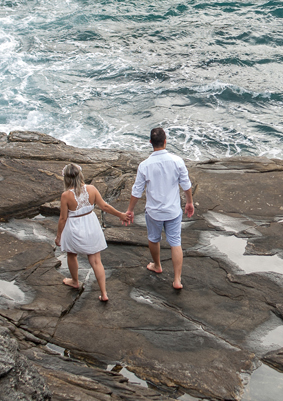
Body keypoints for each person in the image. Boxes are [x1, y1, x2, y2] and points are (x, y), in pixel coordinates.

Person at [122, 127, 195, 290]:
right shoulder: (177, 161)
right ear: (165, 141)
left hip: (154, 212)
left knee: (154, 238)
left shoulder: (145, 165)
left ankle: (157, 265)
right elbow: (186, 184)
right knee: (175, 242)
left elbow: (137, 191)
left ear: (150, 143)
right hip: (173, 211)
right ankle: (177, 280)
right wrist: (189, 202)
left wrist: (130, 210)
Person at [55, 162, 128, 302]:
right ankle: (104, 293)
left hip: (74, 227)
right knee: (95, 261)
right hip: (91, 224)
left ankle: (75, 281)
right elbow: (104, 206)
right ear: (80, 175)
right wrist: (120, 215)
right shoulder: (92, 189)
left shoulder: (65, 195)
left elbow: (63, 218)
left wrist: (58, 236)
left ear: (66, 179)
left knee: (72, 254)